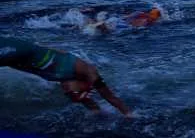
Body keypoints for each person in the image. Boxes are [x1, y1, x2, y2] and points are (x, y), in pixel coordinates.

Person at [0, 37, 131, 116]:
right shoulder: (86, 71)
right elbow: (110, 97)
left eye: (71, 93)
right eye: (75, 92)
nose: (68, 92)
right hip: (20, 50)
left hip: (15, 58)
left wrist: (96, 112)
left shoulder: (66, 83)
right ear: (86, 85)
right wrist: (128, 114)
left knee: (77, 97)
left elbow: (84, 99)